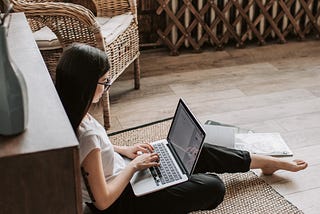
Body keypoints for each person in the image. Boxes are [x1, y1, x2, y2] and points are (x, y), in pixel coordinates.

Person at [55, 43, 308, 214]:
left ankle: (266, 162)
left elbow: (93, 152)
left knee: (195, 150)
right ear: (86, 84)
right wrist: (134, 166)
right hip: (124, 200)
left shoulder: (71, 111)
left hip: (125, 175)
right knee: (213, 186)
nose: (107, 85)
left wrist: (125, 150)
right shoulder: (84, 132)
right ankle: (170, 179)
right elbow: (103, 201)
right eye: (104, 81)